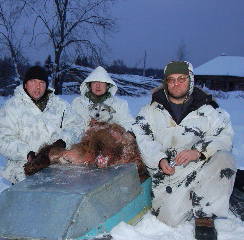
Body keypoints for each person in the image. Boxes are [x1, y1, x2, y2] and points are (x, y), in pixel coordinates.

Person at [131, 61, 236, 240]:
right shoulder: (149, 111)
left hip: (200, 166)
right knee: (169, 221)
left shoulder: (208, 110)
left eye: (181, 79)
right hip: (169, 174)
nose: (176, 84)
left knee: (225, 159)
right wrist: (159, 160)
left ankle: (204, 215)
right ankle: (197, 194)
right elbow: (143, 139)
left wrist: (199, 152)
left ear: (190, 80)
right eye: (171, 80)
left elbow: (225, 137)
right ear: (165, 82)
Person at [0, 65, 83, 184]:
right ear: (25, 84)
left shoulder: (60, 105)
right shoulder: (11, 107)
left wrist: (63, 141)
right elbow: (2, 140)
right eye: (33, 81)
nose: (37, 86)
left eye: (41, 82)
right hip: (24, 169)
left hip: (58, 166)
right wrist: (27, 153)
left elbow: (77, 127)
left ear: (46, 85)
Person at [71, 66, 135, 132]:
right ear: (89, 85)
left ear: (107, 85)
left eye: (101, 82)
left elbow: (129, 125)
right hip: (84, 140)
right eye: (94, 82)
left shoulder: (120, 104)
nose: (98, 86)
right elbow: (72, 126)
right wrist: (88, 126)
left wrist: (112, 128)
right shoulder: (78, 103)